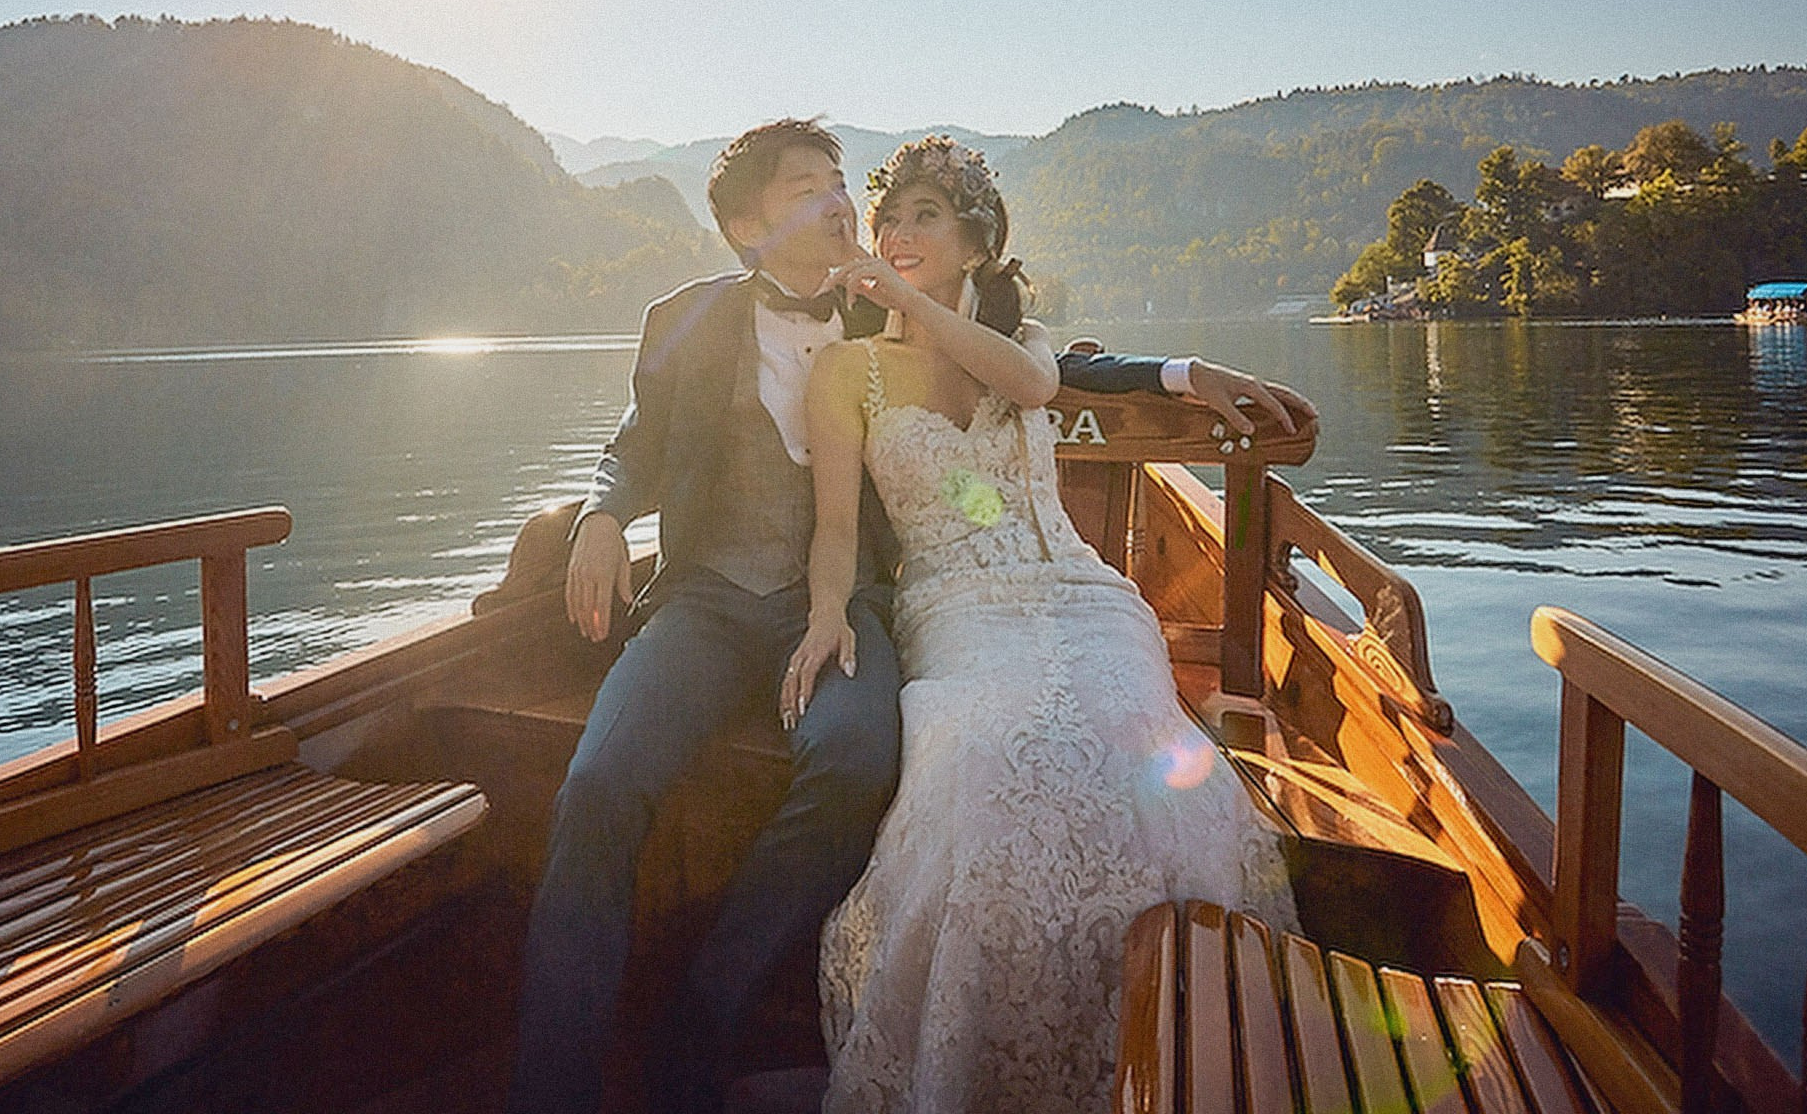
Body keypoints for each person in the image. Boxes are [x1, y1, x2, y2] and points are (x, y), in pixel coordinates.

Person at [507, 119, 1312, 1114]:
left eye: (841, 182)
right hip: (710, 600)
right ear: (746, 226)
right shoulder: (686, 315)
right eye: (811, 189)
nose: (843, 205)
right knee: (595, 781)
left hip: (853, 605)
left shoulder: (881, 308)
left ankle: (703, 1012)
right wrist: (601, 514)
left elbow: (1038, 368)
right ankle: (554, 1088)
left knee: (852, 760)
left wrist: (1181, 375)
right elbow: (633, 441)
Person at [807, 136, 1304, 1114]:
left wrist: (1185, 368)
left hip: (1083, 597)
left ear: (977, 244)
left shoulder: (1024, 344)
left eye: (925, 217)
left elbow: (1038, 388)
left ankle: (1173, 1053)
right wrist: (827, 607)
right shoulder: (846, 371)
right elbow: (832, 528)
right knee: (987, 764)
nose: (899, 234)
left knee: (1133, 743)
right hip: (954, 606)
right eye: (888, 219)